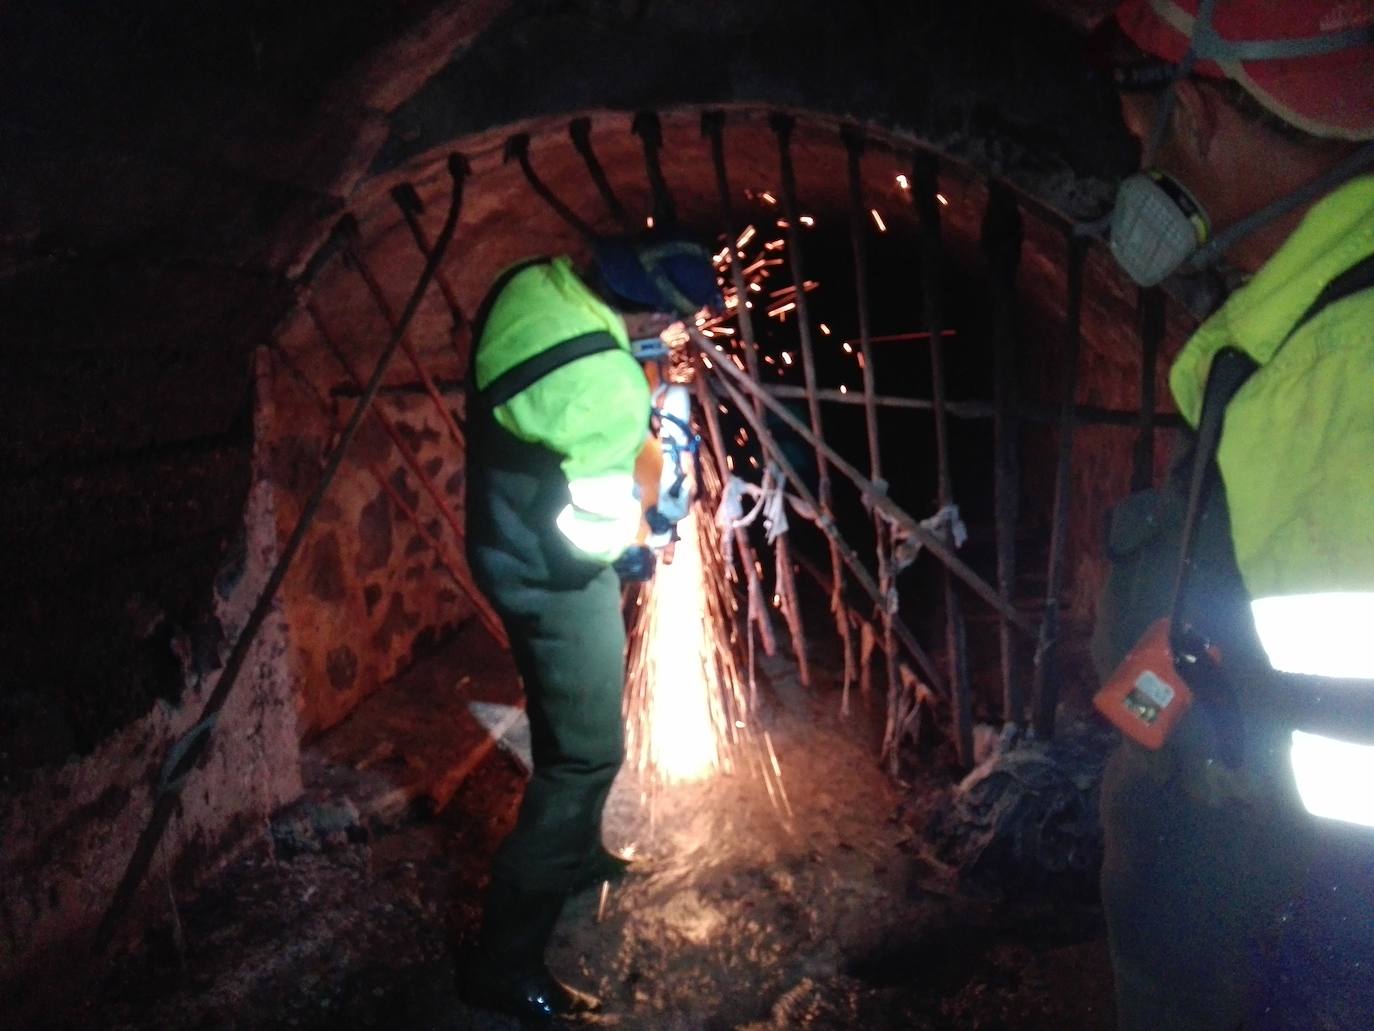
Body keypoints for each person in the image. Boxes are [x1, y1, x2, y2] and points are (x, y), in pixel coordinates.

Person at [1091, 2, 1374, 1028]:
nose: (1143, 161)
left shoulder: (1335, 367)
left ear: (1202, 115)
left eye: (1144, 132)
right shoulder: (1300, 327)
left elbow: (1354, 756)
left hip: (1298, 947)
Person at [460, 234, 720, 1022]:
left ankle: (576, 858)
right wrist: (642, 541)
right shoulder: (608, 389)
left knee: (558, 709)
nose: (668, 340)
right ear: (645, 309)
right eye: (668, 325)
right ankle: (505, 962)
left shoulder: (526, 279)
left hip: (498, 540)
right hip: (555, 575)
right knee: (587, 755)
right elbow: (597, 534)